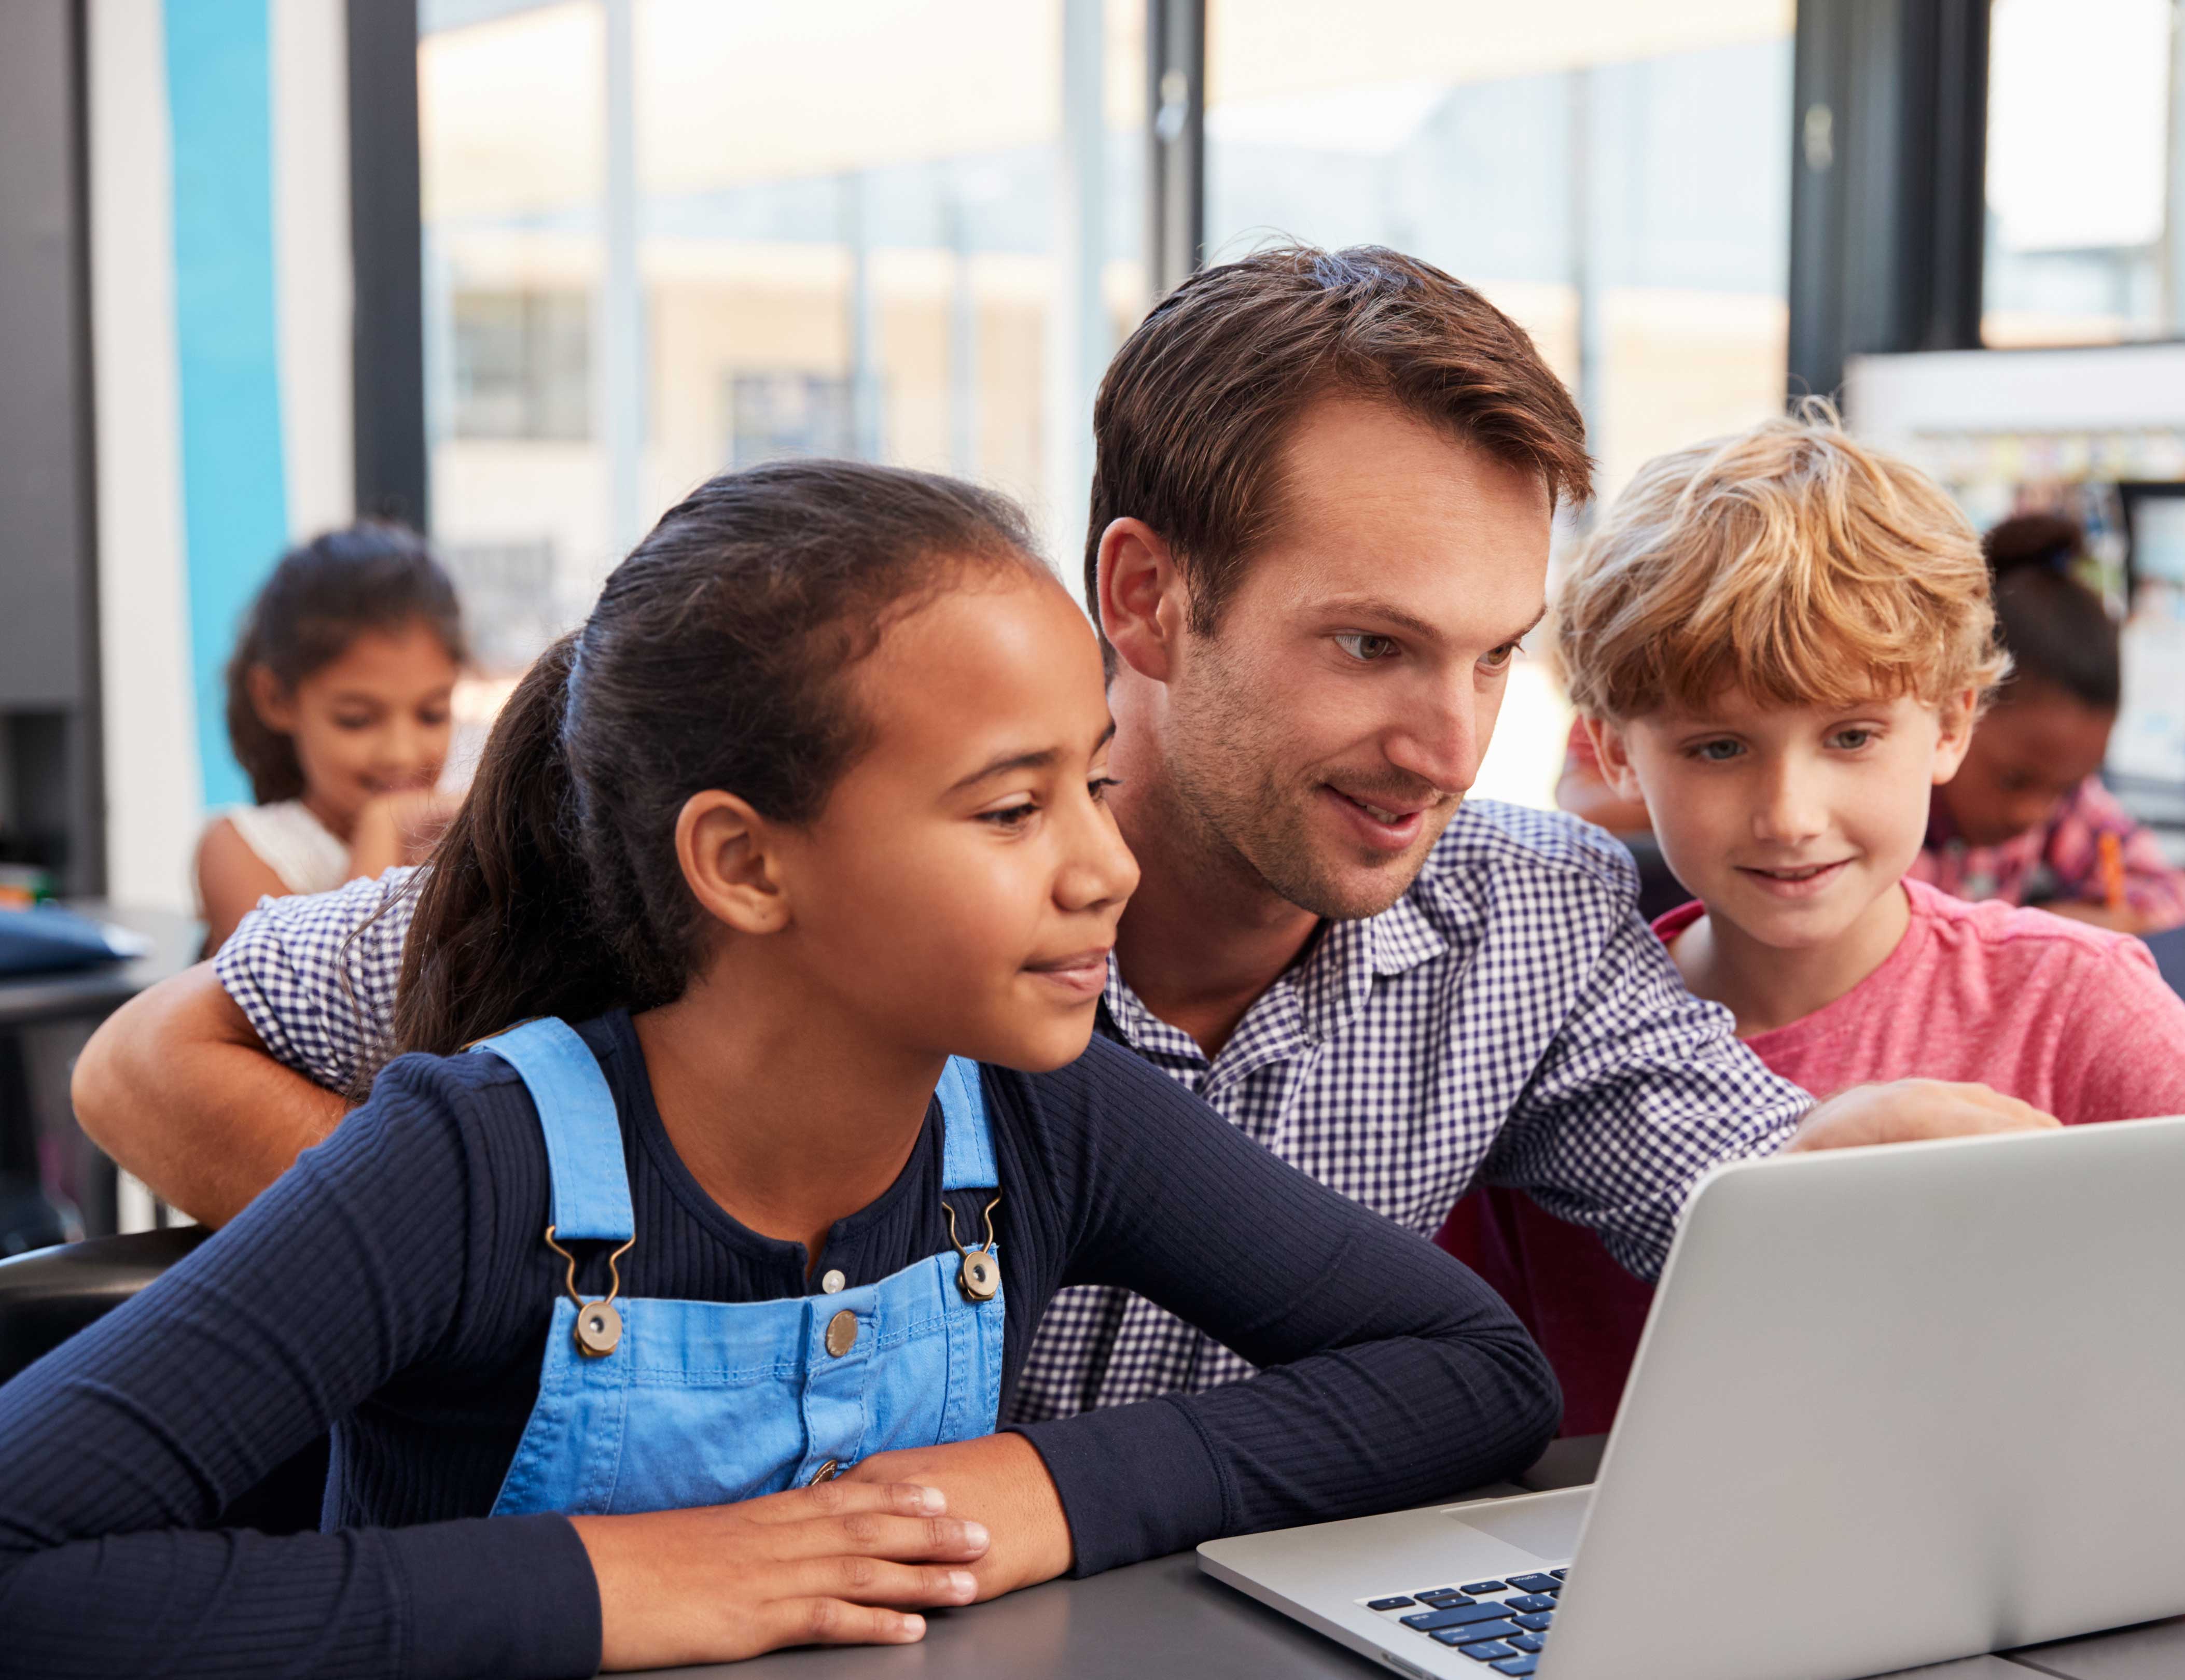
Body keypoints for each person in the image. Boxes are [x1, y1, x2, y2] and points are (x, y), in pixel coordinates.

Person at [74, 246, 2050, 1427]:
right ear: (1148, 596)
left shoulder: (1528, 920)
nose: (1448, 742)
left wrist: (1917, 1162)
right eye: (1369, 644)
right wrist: (511, 1306)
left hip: (1145, 1676)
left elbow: (1739, 1177)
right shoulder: (856, 861)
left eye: (1491, 656)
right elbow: (153, 1059)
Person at [0, 460, 1558, 1680]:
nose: (1107, 867)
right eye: (1012, 809)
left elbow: (1471, 1371)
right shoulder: (468, 1167)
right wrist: (622, 1583)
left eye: (1087, 784)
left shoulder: (1047, 1114)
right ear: (745, 864)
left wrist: (1039, 1489)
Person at [1441, 411, 2185, 1441]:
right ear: (1611, 753)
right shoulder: (1546, 1024)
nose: (1790, 813)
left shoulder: (2068, 998)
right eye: (1718, 748)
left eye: (1853, 735)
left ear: (1953, 723)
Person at [1913, 513, 2185, 934]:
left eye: (2062, 788)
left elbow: (2169, 893)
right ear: (1950, 713)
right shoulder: (1889, 818)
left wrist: (2058, 929)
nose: (2033, 814)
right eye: (2013, 780)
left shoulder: (2060, 804)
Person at [196, 524, 467, 953]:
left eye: (431, 714)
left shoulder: (459, 835)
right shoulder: (240, 850)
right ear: (276, 699)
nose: (402, 752)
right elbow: (339, 1004)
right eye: (357, 720)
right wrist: (382, 830)